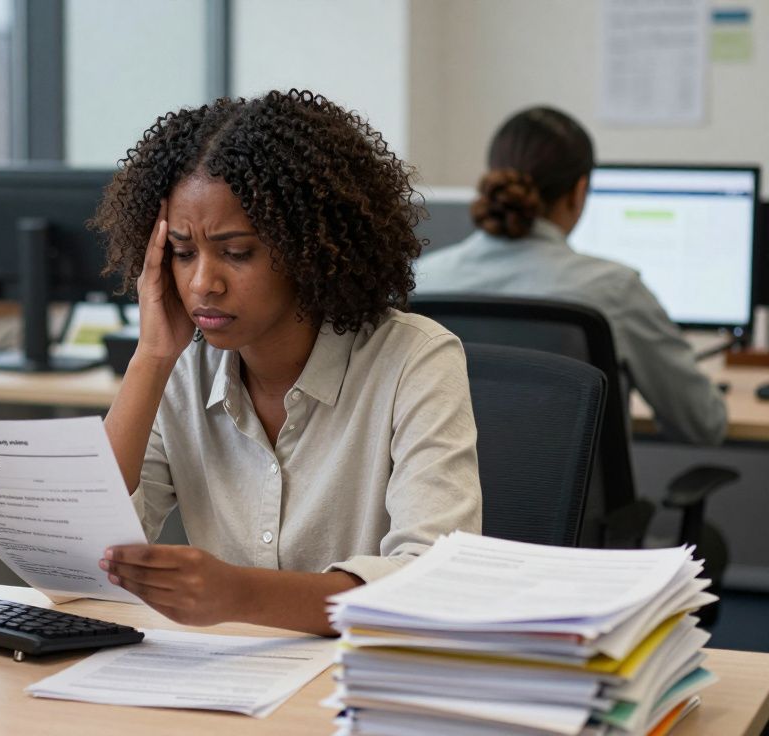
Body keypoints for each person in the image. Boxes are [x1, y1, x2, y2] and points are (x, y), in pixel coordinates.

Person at [92, 90, 482, 635]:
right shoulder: (180, 370)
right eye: (182, 253)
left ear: (308, 250)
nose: (203, 282)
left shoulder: (414, 361)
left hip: (357, 691)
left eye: (236, 251)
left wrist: (241, 595)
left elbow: (432, 586)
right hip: (228, 688)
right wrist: (151, 357)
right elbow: (80, 558)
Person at [414, 106, 726, 446]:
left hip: (449, 499)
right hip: (575, 499)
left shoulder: (422, 280)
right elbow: (703, 423)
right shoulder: (614, 290)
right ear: (579, 191)